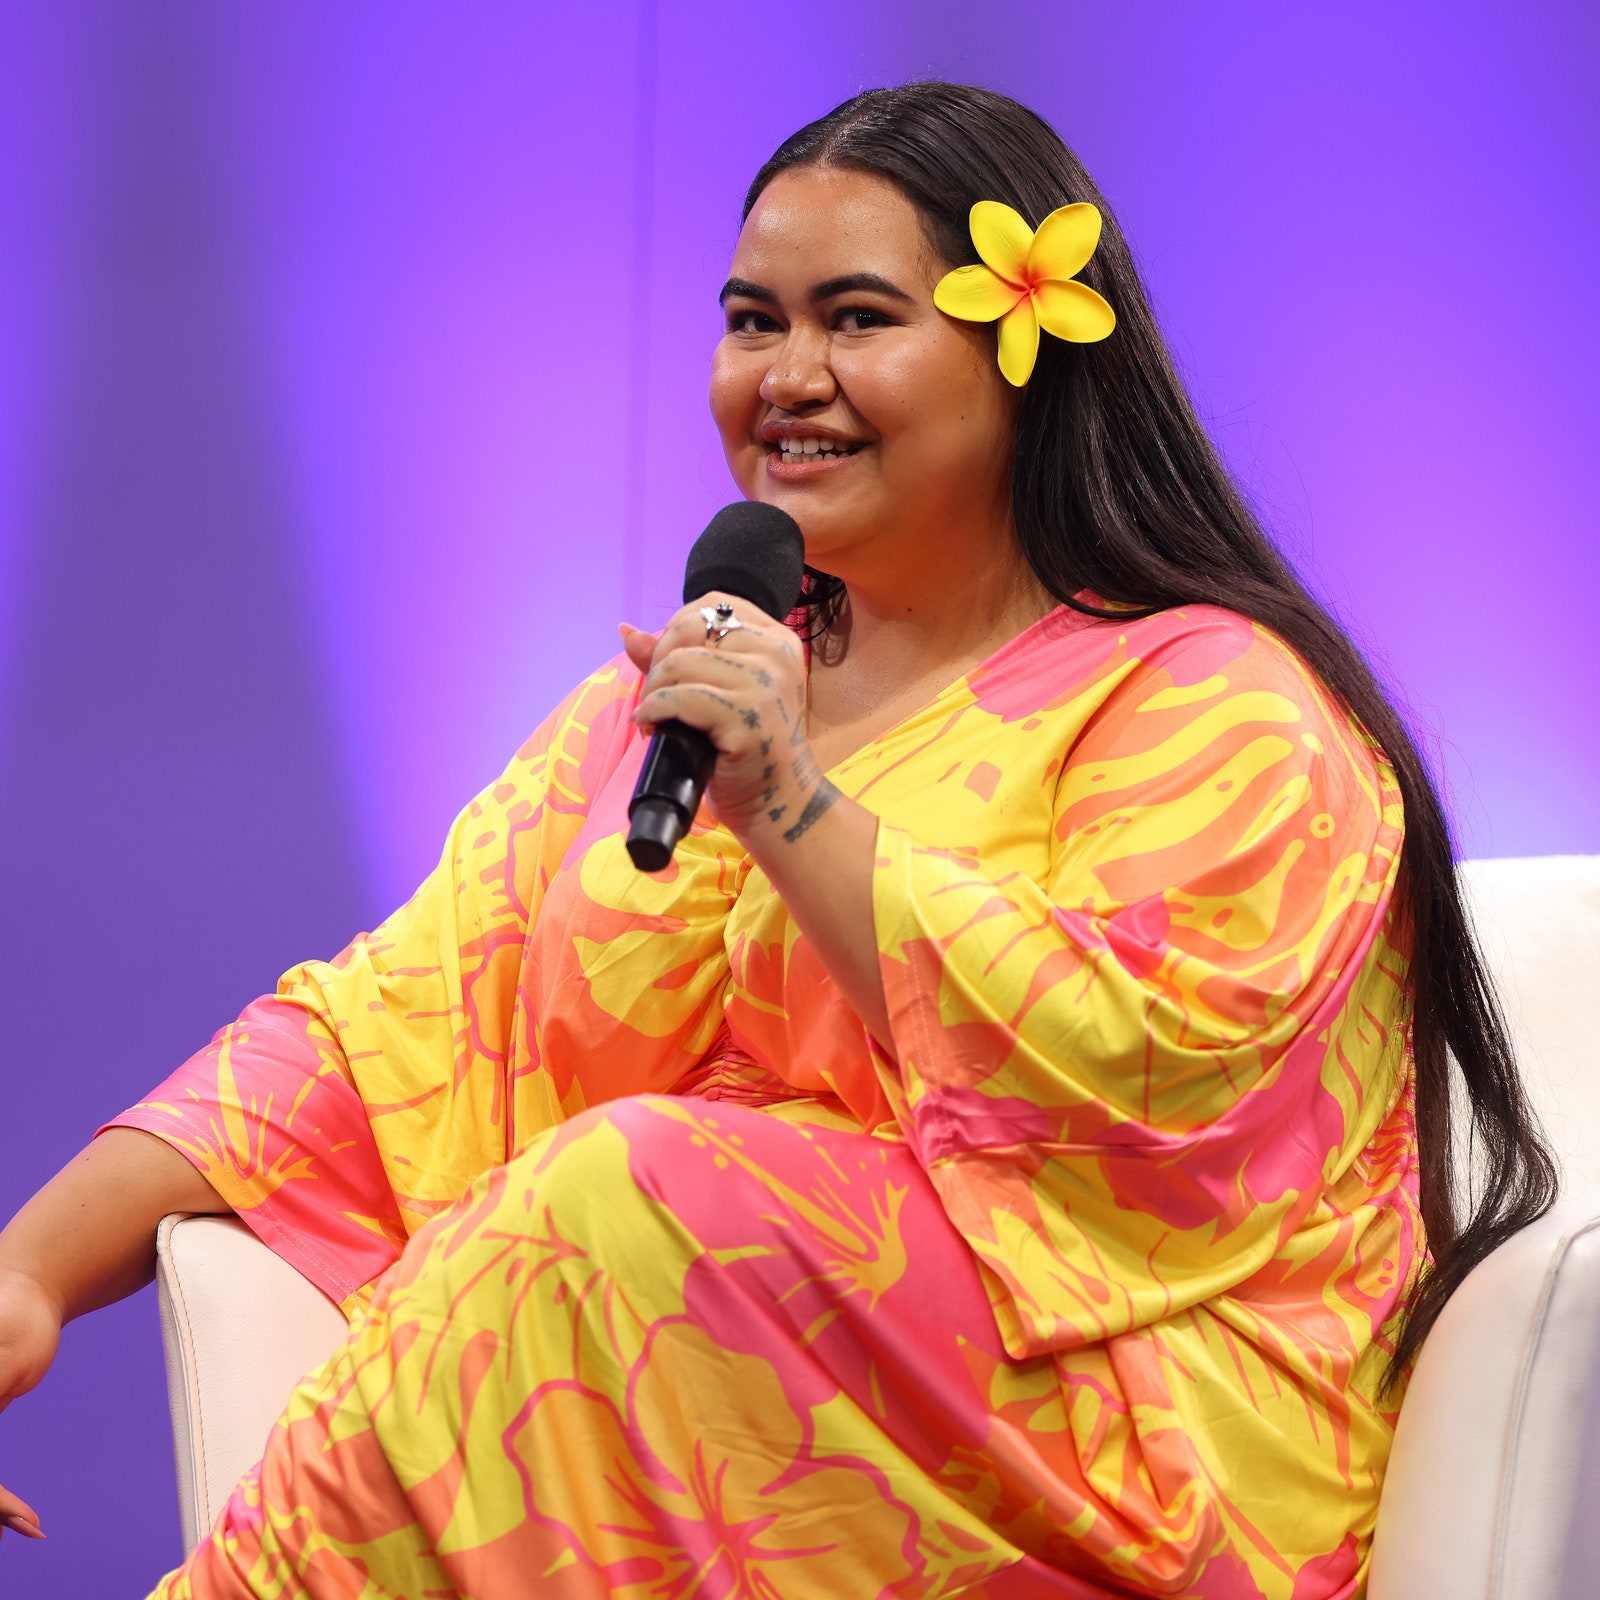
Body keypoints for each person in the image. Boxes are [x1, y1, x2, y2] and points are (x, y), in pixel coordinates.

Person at [0, 82, 1554, 1598]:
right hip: (706, 1384)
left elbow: (1136, 1080)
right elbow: (381, 1033)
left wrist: (793, 807)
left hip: (1111, 1452)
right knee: (619, 1218)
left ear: (1028, 355)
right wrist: (36, 1269)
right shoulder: (667, 704)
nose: (788, 375)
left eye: (859, 319)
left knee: (628, 1200)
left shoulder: (1216, 704)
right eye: (755, 320)